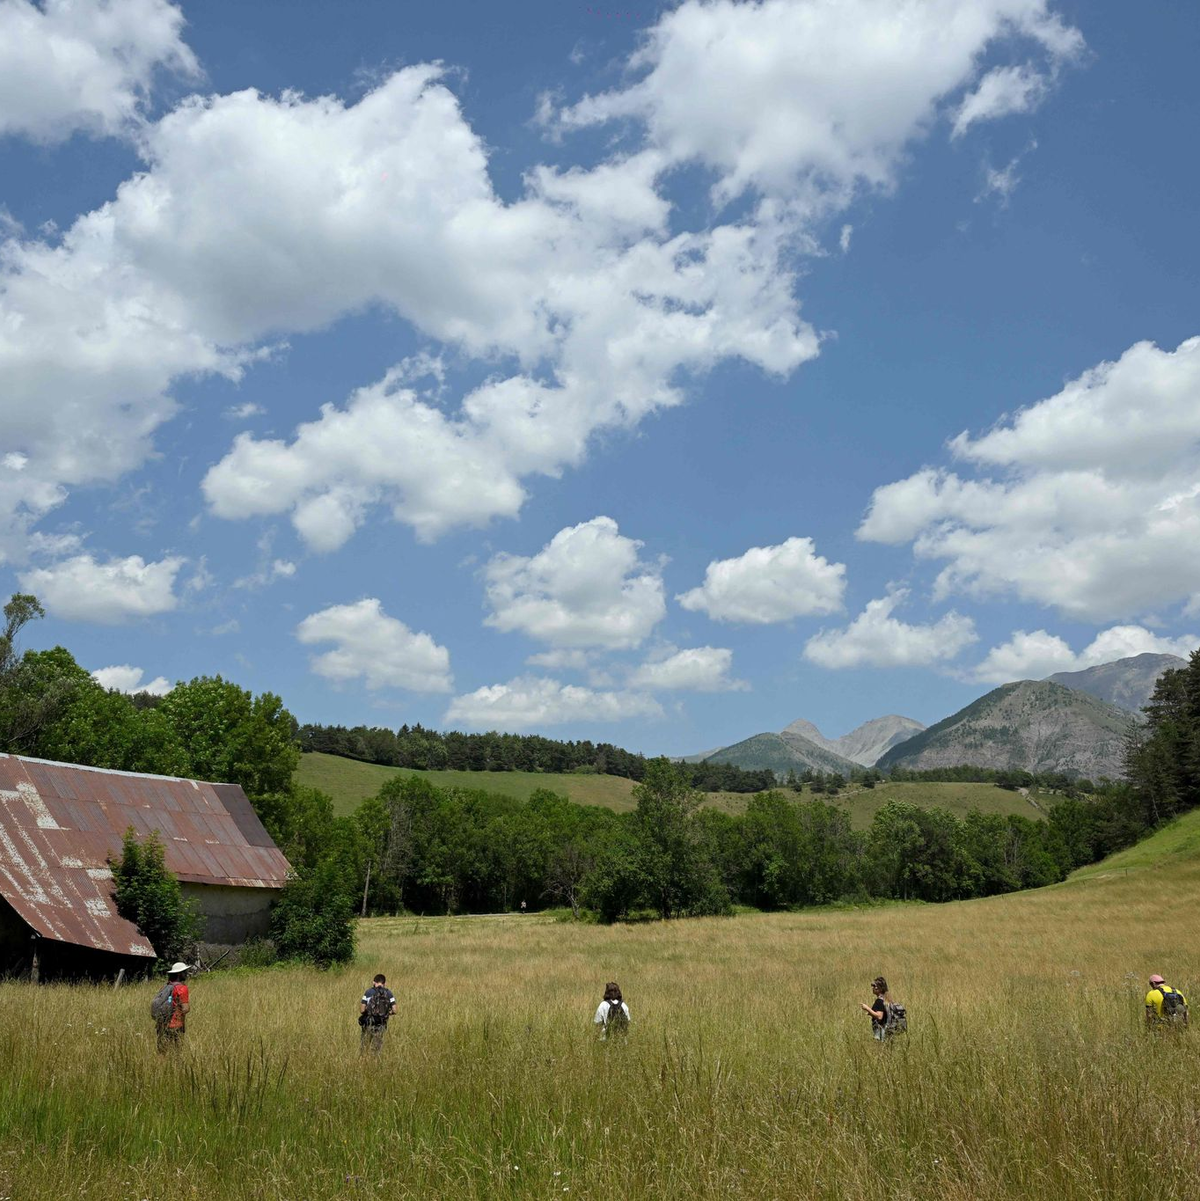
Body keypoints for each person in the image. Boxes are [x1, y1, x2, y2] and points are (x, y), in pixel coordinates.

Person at [155, 961, 190, 1054]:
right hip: (176, 1025)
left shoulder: (166, 986)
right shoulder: (182, 988)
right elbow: (185, 1009)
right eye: (184, 972)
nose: (186, 974)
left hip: (161, 1024)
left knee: (162, 1052)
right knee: (177, 1052)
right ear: (179, 974)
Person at [359, 973, 397, 1054]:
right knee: (377, 1048)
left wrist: (369, 1012)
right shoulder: (389, 993)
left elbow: (362, 1010)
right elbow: (394, 1010)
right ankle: (375, 1060)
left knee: (364, 1045)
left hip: (369, 1023)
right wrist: (386, 1013)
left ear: (374, 982)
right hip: (381, 1024)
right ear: (385, 983)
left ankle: (363, 1059)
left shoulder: (368, 992)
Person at [861, 975, 894, 1041]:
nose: (872, 988)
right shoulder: (887, 999)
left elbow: (879, 1016)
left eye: (874, 986)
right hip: (888, 1030)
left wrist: (867, 1008)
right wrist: (871, 1013)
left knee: (880, 1046)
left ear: (880, 988)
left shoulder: (879, 1001)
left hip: (881, 1031)